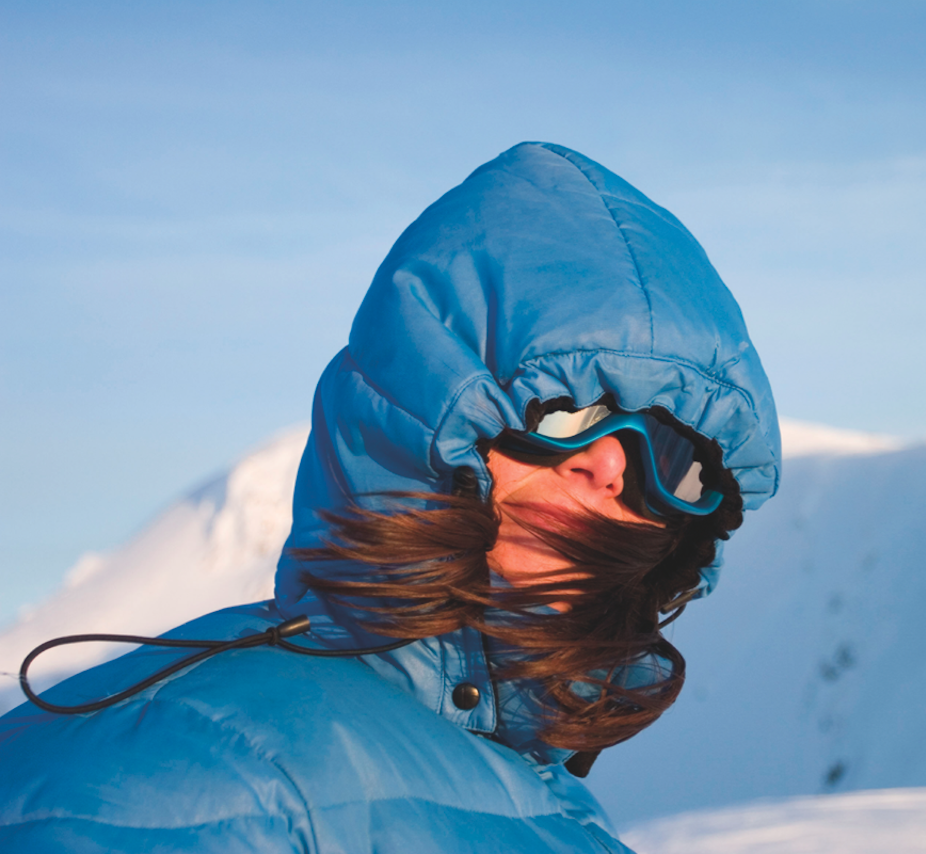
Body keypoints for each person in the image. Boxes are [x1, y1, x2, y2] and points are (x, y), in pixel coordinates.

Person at [0, 142, 781, 852]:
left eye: (675, 459)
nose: (610, 471)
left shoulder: (557, 811)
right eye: (565, 411)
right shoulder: (185, 782)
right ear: (431, 413)